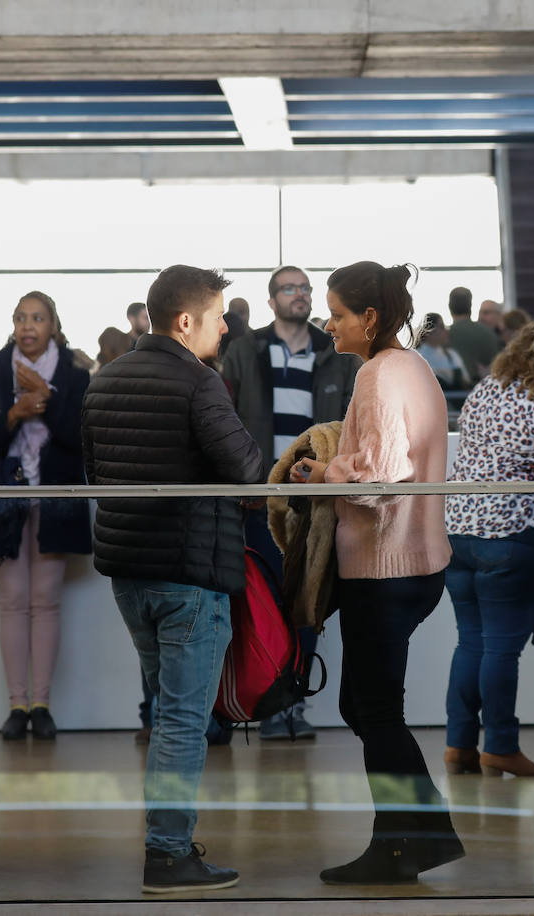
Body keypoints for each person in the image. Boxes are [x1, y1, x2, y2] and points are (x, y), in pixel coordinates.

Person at [82, 264, 263, 894]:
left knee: (168, 713)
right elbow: (244, 466)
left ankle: (168, 842)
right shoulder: (200, 382)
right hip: (189, 571)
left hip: (129, 571)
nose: (225, 327)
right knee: (185, 721)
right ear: (185, 321)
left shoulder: (104, 381)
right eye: (218, 318)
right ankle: (167, 853)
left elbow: (93, 468)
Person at [292, 261, 463, 885]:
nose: (328, 323)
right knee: (365, 705)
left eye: (336, 314)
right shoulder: (415, 367)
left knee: (375, 709)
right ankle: (421, 832)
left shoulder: (378, 373)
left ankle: (401, 844)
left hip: (384, 567)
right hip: (417, 563)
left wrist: (328, 472)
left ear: (368, 318)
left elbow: (377, 482)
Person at [444, 315, 534, 779]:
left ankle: (459, 745)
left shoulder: (485, 390)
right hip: (512, 536)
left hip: (460, 529)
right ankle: (501, 746)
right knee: (502, 650)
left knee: (470, 643)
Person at [220, 264, 357, 740]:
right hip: (263, 498)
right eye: (289, 288)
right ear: (271, 299)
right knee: (267, 601)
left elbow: (348, 423)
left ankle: (292, 702)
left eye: (305, 288)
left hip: (315, 497)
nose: (300, 295)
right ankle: (267, 701)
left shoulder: (334, 353)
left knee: (308, 600)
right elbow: (227, 421)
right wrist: (248, 484)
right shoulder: (243, 351)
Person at [0, 291, 92, 741]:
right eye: (21, 317)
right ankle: (15, 706)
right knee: (12, 601)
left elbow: (79, 438)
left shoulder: (75, 374)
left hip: (56, 495)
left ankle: (41, 705)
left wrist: (47, 398)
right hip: (8, 495)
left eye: (37, 318)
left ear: (53, 326)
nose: (28, 326)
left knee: (45, 601)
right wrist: (14, 414)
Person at [447, 287, 502, 383]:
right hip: (484, 390)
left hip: (450, 393)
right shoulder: (489, 334)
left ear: (450, 306)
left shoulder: (441, 337)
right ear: (470, 306)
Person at [416, 312, 469, 390]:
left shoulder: (451, 355)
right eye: (441, 327)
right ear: (428, 331)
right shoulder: (417, 358)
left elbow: (466, 381)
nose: (446, 331)